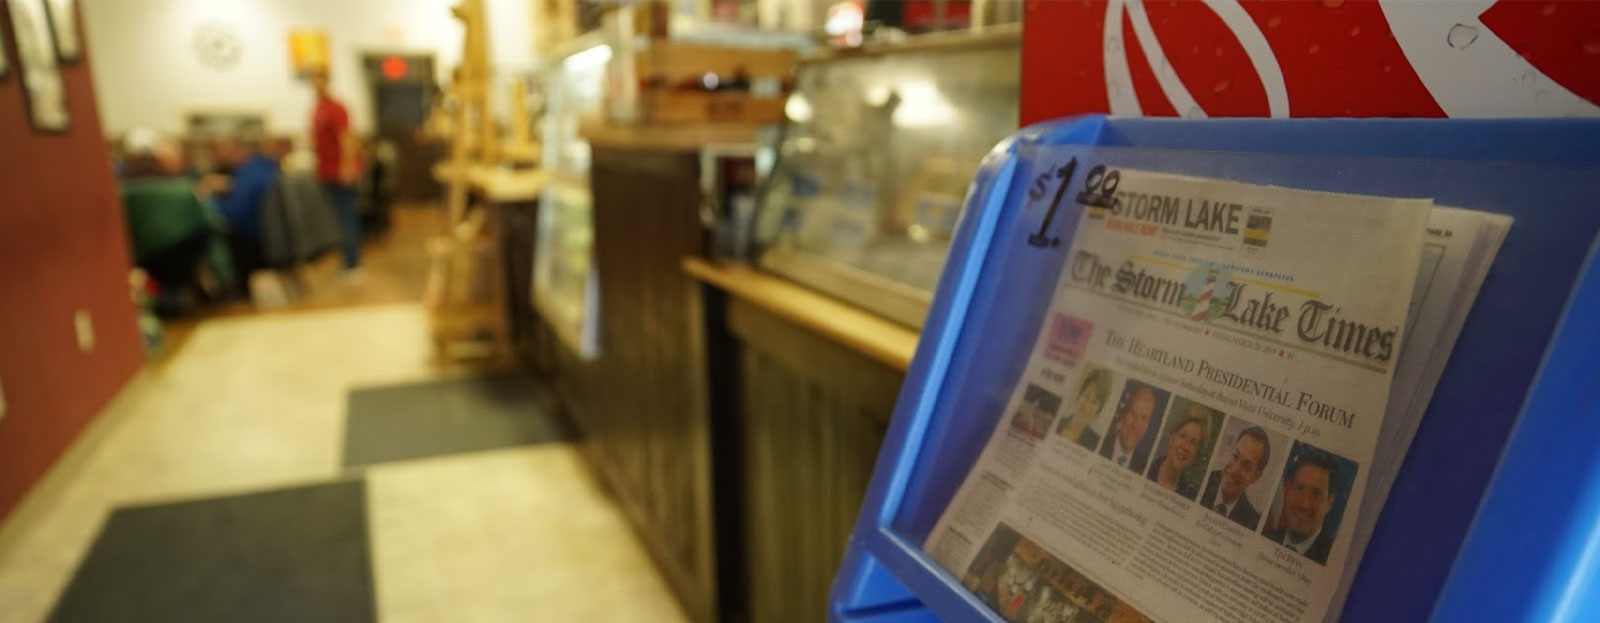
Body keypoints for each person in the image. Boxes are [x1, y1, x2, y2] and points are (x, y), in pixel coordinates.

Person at [210, 137, 284, 289]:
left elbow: (235, 212)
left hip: (253, 238)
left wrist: (212, 199)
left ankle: (231, 292)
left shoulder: (249, 173)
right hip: (271, 237)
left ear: (238, 150)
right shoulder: (265, 168)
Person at [309, 69, 363, 275]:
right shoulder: (317, 108)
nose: (317, 85)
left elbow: (347, 138)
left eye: (320, 80)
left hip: (340, 173)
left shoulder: (336, 108)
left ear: (327, 82)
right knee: (338, 218)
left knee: (347, 216)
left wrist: (347, 167)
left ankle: (353, 263)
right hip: (326, 172)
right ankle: (346, 260)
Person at [1263, 451, 1338, 564]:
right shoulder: (1266, 538)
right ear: (1288, 491)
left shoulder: (1333, 559)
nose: (1304, 504)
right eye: (1299, 488)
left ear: (1329, 503)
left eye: (1316, 493)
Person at [1199, 426, 1272, 529]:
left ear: (1256, 477)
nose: (1234, 470)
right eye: (1235, 456)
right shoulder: (1200, 481)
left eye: (1246, 465)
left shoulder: (1252, 523)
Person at [1145, 406, 1209, 499]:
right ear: (1171, 438)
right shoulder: (1143, 469)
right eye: (1183, 436)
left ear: (1197, 454)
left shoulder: (1191, 496)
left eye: (1194, 443)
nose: (1186, 446)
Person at [1096, 384, 1158, 472]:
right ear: (1123, 414)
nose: (1135, 425)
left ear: (1147, 425)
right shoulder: (1098, 445)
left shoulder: (1145, 468)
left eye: (1143, 418)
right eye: (1133, 413)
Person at [1056, 368, 1111, 448]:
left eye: (1094, 402)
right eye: (1086, 396)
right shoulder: (1058, 422)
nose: (1087, 405)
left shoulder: (1096, 442)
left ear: (1098, 410)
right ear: (1079, 395)